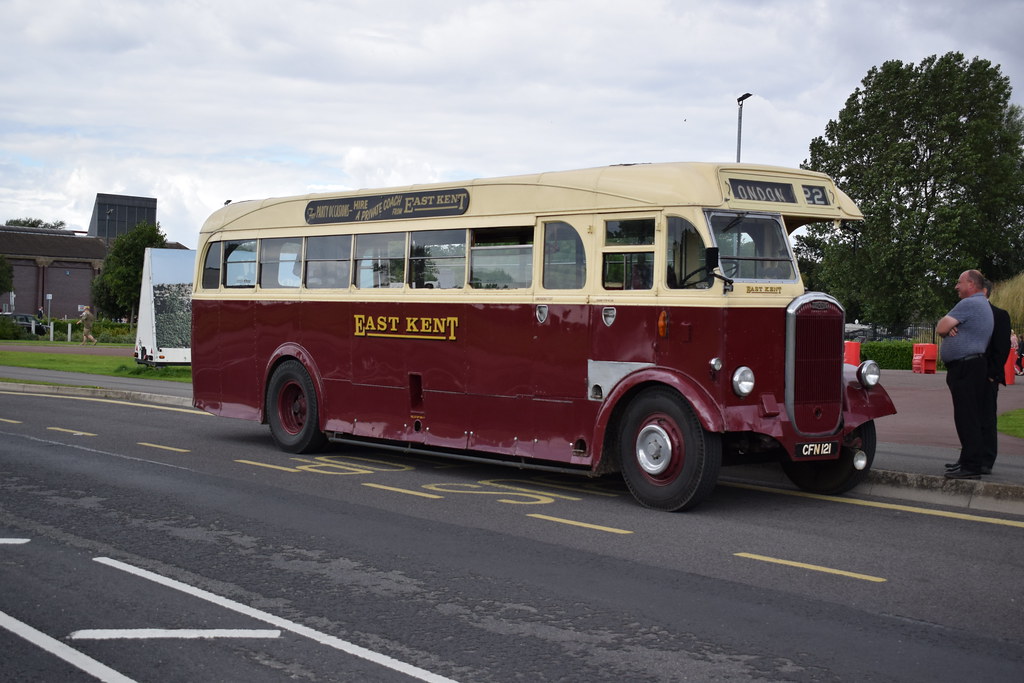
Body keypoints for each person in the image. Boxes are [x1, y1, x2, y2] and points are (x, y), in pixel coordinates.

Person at [936, 270, 993, 479]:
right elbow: (946, 327)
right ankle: (968, 460)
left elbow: (941, 326)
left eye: (959, 283)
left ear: (971, 283)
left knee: (966, 417)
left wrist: (948, 327)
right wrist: (952, 326)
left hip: (965, 368)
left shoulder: (969, 304)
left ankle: (971, 466)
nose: (956, 287)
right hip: (973, 366)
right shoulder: (982, 304)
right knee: (971, 415)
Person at [977, 280, 1010, 475]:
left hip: (987, 376)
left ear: (985, 292)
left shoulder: (999, 315)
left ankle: (986, 459)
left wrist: (992, 376)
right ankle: (970, 456)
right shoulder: (967, 315)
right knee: (969, 419)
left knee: (987, 418)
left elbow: (1002, 349)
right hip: (969, 376)